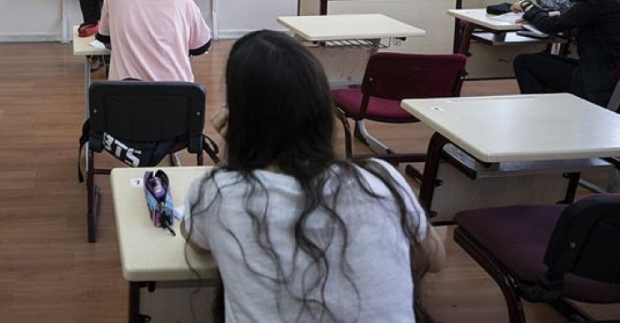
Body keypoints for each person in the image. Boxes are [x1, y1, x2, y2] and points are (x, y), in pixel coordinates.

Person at [182, 30, 444, 323]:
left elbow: (194, 238)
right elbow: (435, 258)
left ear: (242, 117)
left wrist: (237, 154)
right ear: (322, 109)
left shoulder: (218, 192)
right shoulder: (381, 180)